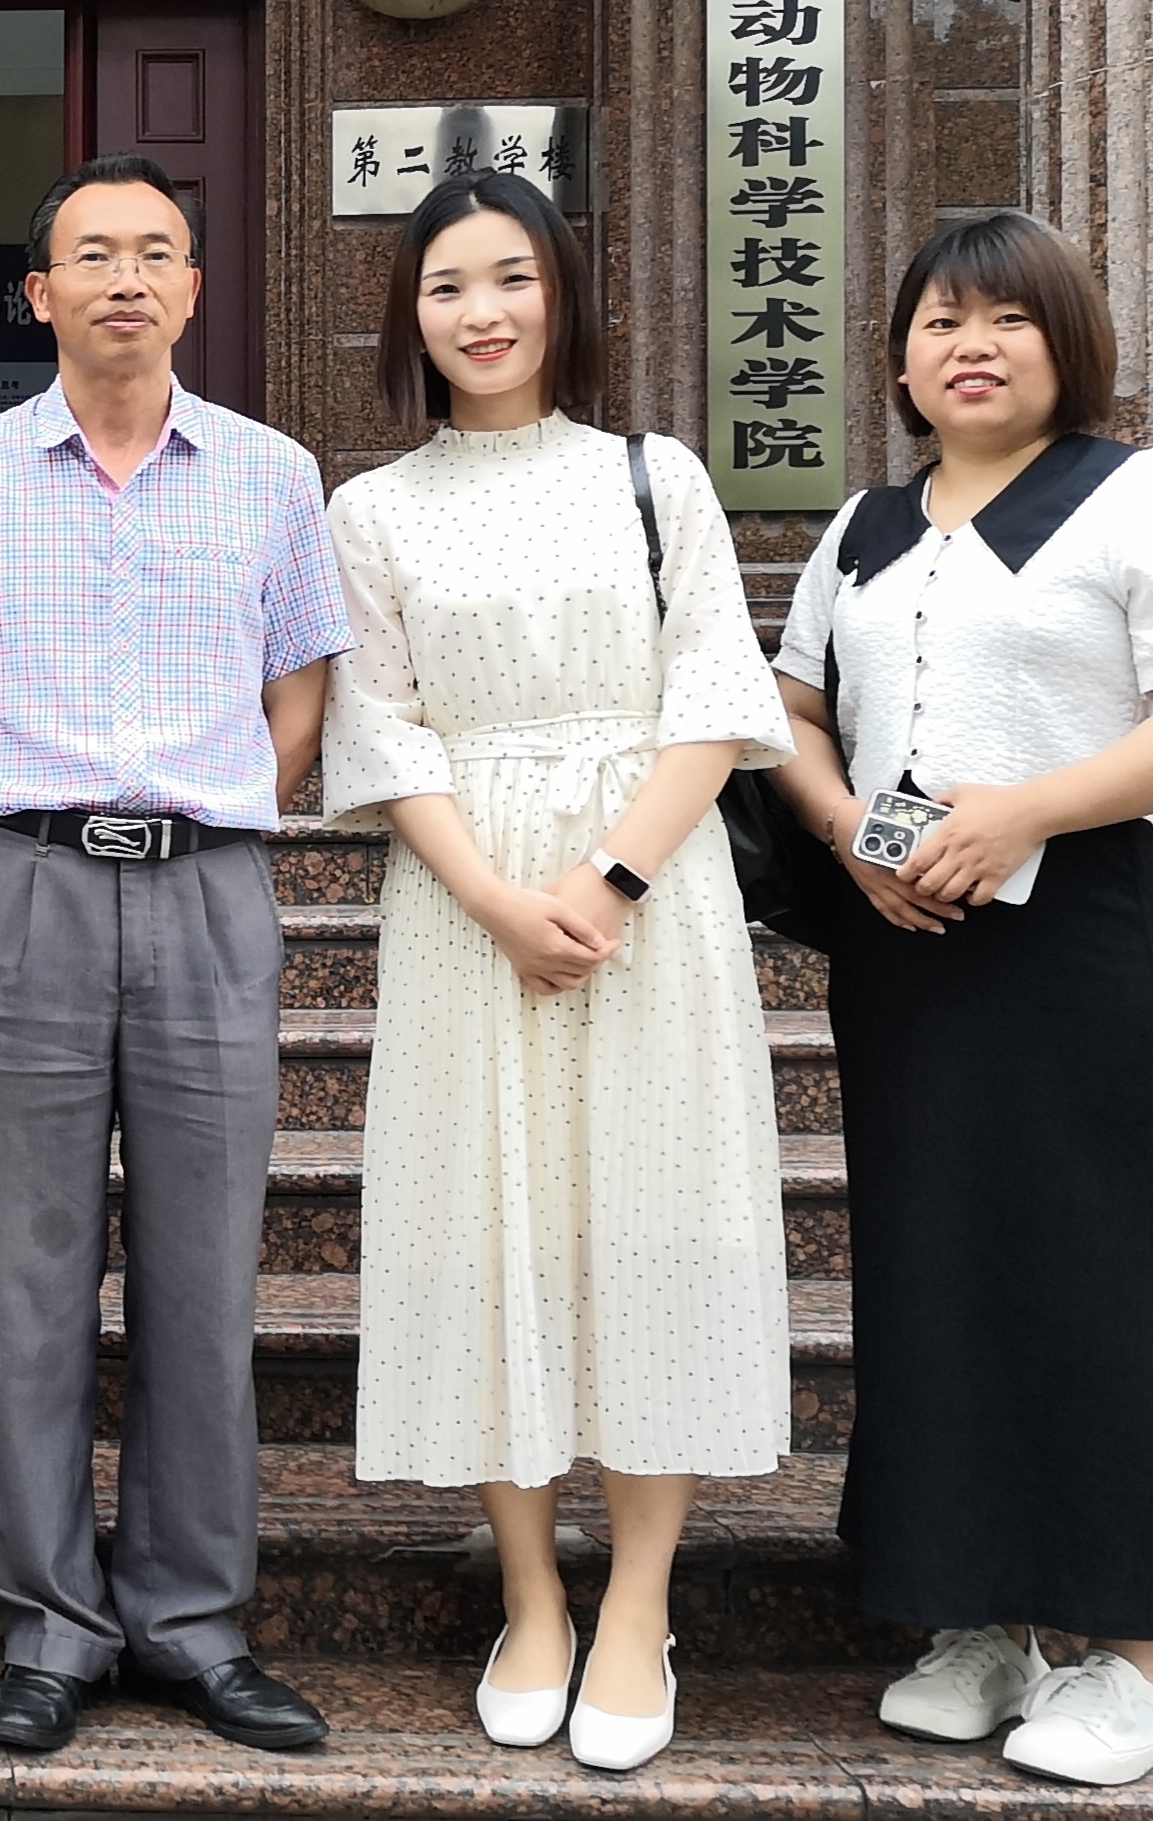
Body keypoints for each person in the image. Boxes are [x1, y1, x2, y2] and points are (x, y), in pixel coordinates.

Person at [769, 210, 1153, 1789]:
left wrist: (1027, 811)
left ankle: (1137, 1663)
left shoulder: (1145, 496)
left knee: (1100, 1276)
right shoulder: (866, 526)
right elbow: (787, 709)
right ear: (901, 359)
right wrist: (851, 832)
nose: (970, 346)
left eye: (1005, 317)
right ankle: (974, 1621)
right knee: (930, 1276)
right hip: (904, 948)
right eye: (939, 322)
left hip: (1077, 939)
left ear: (1069, 340)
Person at [316, 170, 796, 1775]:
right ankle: (530, 1594)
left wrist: (606, 879)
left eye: (512, 276)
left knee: (654, 1221)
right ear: (411, 318)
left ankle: (639, 1602)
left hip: (653, 892)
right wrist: (496, 902)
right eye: (447, 285)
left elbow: (714, 693)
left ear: (563, 294)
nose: (484, 312)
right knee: (485, 1226)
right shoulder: (374, 511)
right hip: (464, 907)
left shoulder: (656, 477)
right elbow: (383, 732)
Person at [0, 156, 352, 1760]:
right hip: (27, 888)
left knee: (208, 1275)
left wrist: (221, 816)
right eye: (93, 255)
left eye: (156, 253)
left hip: (211, 890)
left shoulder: (274, 475)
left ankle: (194, 1621)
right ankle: (49, 1623)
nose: (126, 278)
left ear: (195, 288)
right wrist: (3, 841)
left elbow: (302, 694)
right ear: (41, 294)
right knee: (27, 1275)